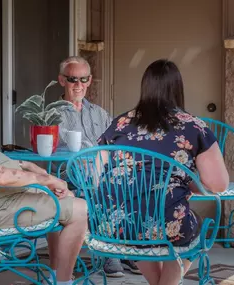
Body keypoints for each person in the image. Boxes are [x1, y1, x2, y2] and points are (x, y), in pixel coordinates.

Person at [96, 59, 229, 285]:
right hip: (167, 223)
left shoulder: (119, 124)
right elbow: (218, 185)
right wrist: (189, 182)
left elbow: (98, 171)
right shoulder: (193, 126)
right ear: (178, 89)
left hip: (112, 222)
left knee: (139, 220)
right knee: (192, 226)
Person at [0, 75, 87, 285]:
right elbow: (0, 176)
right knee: (80, 209)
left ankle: (55, 274)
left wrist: (35, 172)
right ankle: (63, 281)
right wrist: (47, 179)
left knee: (58, 197)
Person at [56, 56, 140, 277]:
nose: (79, 85)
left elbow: (117, 140)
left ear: (90, 80)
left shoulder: (99, 113)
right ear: (62, 80)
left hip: (101, 172)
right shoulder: (52, 113)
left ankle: (127, 249)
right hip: (69, 175)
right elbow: (64, 146)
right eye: (73, 79)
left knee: (133, 182)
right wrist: (96, 156)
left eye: (83, 79)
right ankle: (109, 252)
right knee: (95, 175)